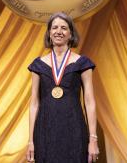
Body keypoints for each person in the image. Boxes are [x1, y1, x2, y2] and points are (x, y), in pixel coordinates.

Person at [26, 12, 99, 163]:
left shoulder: (83, 63)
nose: (59, 31)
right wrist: (31, 141)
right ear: (49, 33)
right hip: (45, 132)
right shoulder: (38, 65)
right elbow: (34, 104)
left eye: (64, 28)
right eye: (55, 28)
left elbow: (89, 101)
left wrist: (93, 139)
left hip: (74, 130)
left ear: (71, 34)